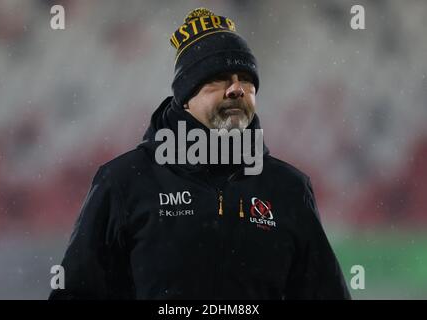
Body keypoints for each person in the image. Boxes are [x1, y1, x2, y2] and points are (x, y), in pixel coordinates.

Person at [49, 7, 351, 300]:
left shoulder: (288, 187)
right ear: (185, 98)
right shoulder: (124, 182)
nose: (236, 89)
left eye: (246, 80)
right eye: (218, 78)